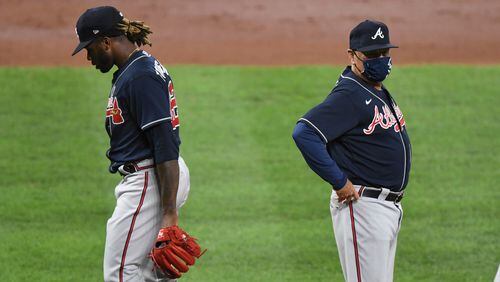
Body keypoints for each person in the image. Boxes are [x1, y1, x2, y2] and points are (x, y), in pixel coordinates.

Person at [72, 6, 201, 282]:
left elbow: (164, 140)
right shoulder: (136, 67)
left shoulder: (140, 76)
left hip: (149, 178)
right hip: (152, 176)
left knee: (121, 274)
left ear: (106, 42)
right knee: (149, 273)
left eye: (90, 48)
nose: (88, 56)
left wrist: (169, 215)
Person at [292, 20, 412, 282]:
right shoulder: (350, 94)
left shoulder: (371, 88)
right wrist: (339, 182)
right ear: (352, 56)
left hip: (384, 209)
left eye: (384, 53)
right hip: (363, 207)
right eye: (371, 55)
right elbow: (305, 133)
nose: (380, 59)